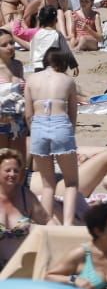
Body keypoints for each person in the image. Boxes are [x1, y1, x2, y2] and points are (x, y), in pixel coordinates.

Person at [25, 46, 79, 223]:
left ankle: (45, 225)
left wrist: (35, 131)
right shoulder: (68, 81)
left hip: (38, 125)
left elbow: (28, 114)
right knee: (71, 183)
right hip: (60, 124)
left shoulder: (31, 80)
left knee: (48, 184)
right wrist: (69, 134)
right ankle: (68, 226)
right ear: (62, 62)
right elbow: (72, 114)